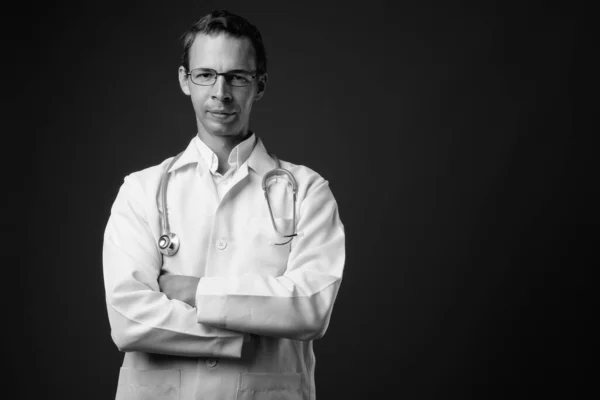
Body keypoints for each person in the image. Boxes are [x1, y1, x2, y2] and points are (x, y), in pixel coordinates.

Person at [102, 9, 345, 400]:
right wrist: (242, 330)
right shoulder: (141, 190)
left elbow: (310, 307)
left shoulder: (307, 190)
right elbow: (129, 320)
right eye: (205, 75)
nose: (221, 92)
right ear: (185, 80)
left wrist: (196, 291)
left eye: (238, 76)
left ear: (259, 84)